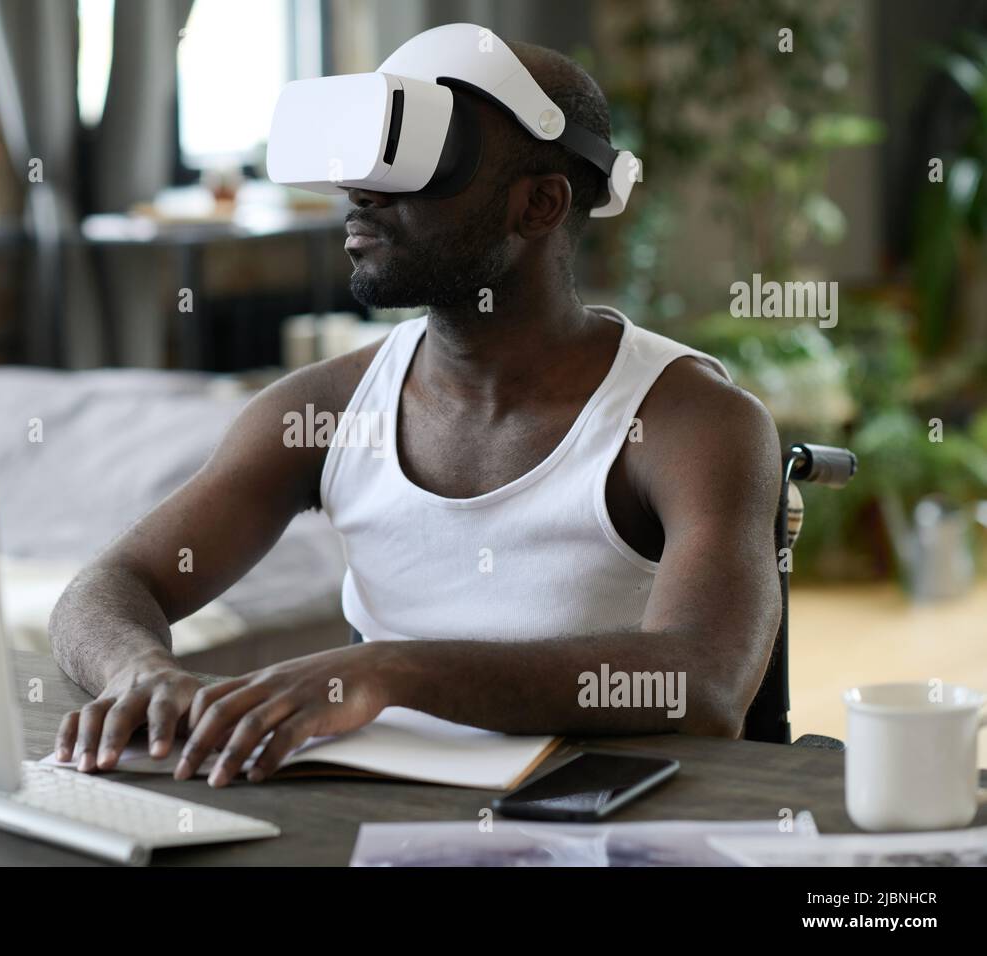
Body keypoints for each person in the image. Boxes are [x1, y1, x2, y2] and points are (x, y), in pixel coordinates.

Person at [49, 41, 782, 788]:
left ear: (539, 204)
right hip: (374, 817)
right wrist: (137, 671)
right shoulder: (322, 410)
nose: (362, 194)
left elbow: (701, 682)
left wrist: (392, 669)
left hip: (600, 821)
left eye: (423, 159)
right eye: (368, 159)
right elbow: (111, 584)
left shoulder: (691, 420)